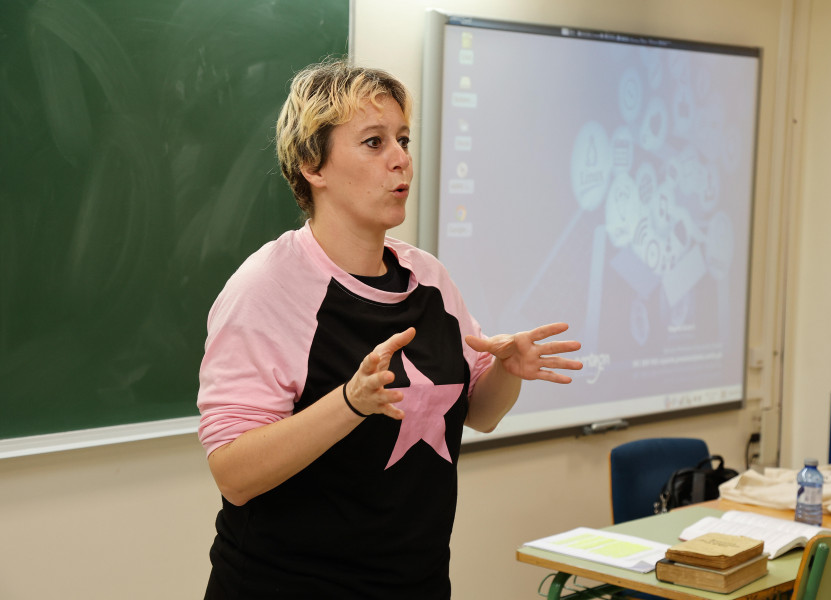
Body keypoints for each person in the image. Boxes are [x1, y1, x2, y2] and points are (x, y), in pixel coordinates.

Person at [197, 58, 583, 600]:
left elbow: (481, 413)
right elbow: (234, 475)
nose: (401, 160)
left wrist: (506, 370)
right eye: (374, 143)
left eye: (402, 139)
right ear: (313, 164)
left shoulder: (428, 278)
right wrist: (350, 402)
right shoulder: (267, 287)